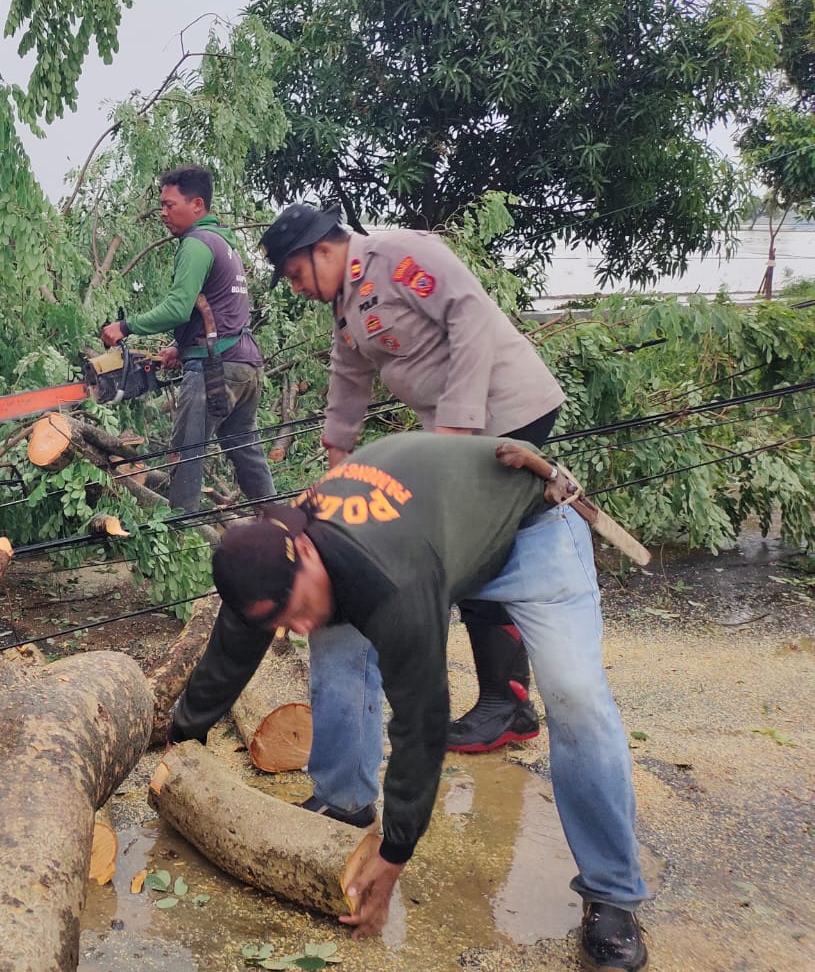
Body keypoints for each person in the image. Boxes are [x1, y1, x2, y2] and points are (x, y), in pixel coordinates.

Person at [170, 433, 649, 971]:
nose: (298, 626)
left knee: (576, 696)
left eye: (297, 607)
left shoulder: (390, 576)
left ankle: (612, 894)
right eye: (282, 620)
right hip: (435, 538)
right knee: (333, 633)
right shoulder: (268, 556)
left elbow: (420, 721)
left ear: (305, 551)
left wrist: (394, 852)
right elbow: (234, 645)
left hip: (529, 528)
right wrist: (183, 735)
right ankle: (344, 801)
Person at [258, 202, 564, 755]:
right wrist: (337, 467)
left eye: (297, 275)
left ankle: (509, 702)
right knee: (462, 549)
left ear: (322, 249)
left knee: (469, 549)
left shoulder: (399, 256)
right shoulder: (346, 306)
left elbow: (470, 315)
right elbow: (348, 379)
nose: (298, 288)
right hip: (460, 434)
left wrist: (454, 430)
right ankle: (505, 701)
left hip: (507, 416)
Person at [99, 165, 274, 510]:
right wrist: (181, 347)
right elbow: (218, 307)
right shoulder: (224, 243)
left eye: (169, 204)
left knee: (185, 455)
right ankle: (282, 525)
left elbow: (178, 308)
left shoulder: (196, 244)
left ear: (197, 204)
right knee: (247, 454)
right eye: (161, 205)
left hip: (216, 368)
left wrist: (125, 326)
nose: (163, 213)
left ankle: (182, 539)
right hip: (243, 363)